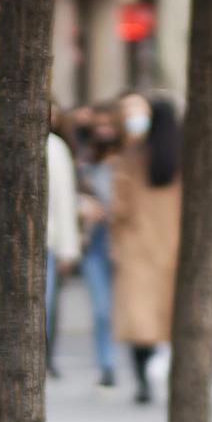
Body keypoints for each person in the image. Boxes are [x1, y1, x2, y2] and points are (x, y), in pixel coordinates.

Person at [108, 91, 182, 404]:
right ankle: (171, 371)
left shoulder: (133, 157)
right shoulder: (186, 156)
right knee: (171, 317)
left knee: (140, 321)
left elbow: (120, 206)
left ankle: (143, 381)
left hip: (137, 247)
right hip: (176, 245)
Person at [76, 103, 121, 386]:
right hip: (95, 242)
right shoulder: (84, 164)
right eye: (99, 125)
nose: (104, 130)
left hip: (125, 242)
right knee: (102, 309)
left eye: (110, 124)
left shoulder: (130, 160)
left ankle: (148, 357)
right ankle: (107, 364)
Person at [42, 114, 83, 379]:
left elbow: (64, 199)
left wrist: (68, 247)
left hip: (47, 240)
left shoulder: (55, 148)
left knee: (46, 303)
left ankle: (44, 356)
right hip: (5, 241)